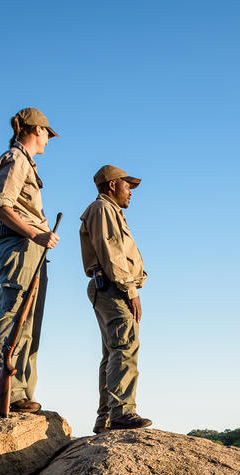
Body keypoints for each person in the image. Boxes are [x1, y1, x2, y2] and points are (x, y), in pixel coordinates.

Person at [0, 107, 60, 413]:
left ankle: (21, 393)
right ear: (37, 130)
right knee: (15, 316)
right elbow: (1, 206)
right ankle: (7, 392)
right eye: (47, 133)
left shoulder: (26, 163)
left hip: (30, 248)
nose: (48, 140)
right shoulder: (15, 159)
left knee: (30, 322)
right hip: (19, 245)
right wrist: (34, 234)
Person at [79, 165, 152, 432]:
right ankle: (122, 412)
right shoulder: (103, 209)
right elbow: (113, 254)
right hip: (113, 286)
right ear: (112, 185)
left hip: (108, 285)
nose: (130, 191)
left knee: (112, 352)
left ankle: (107, 418)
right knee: (124, 346)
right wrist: (130, 290)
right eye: (127, 184)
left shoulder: (109, 211)